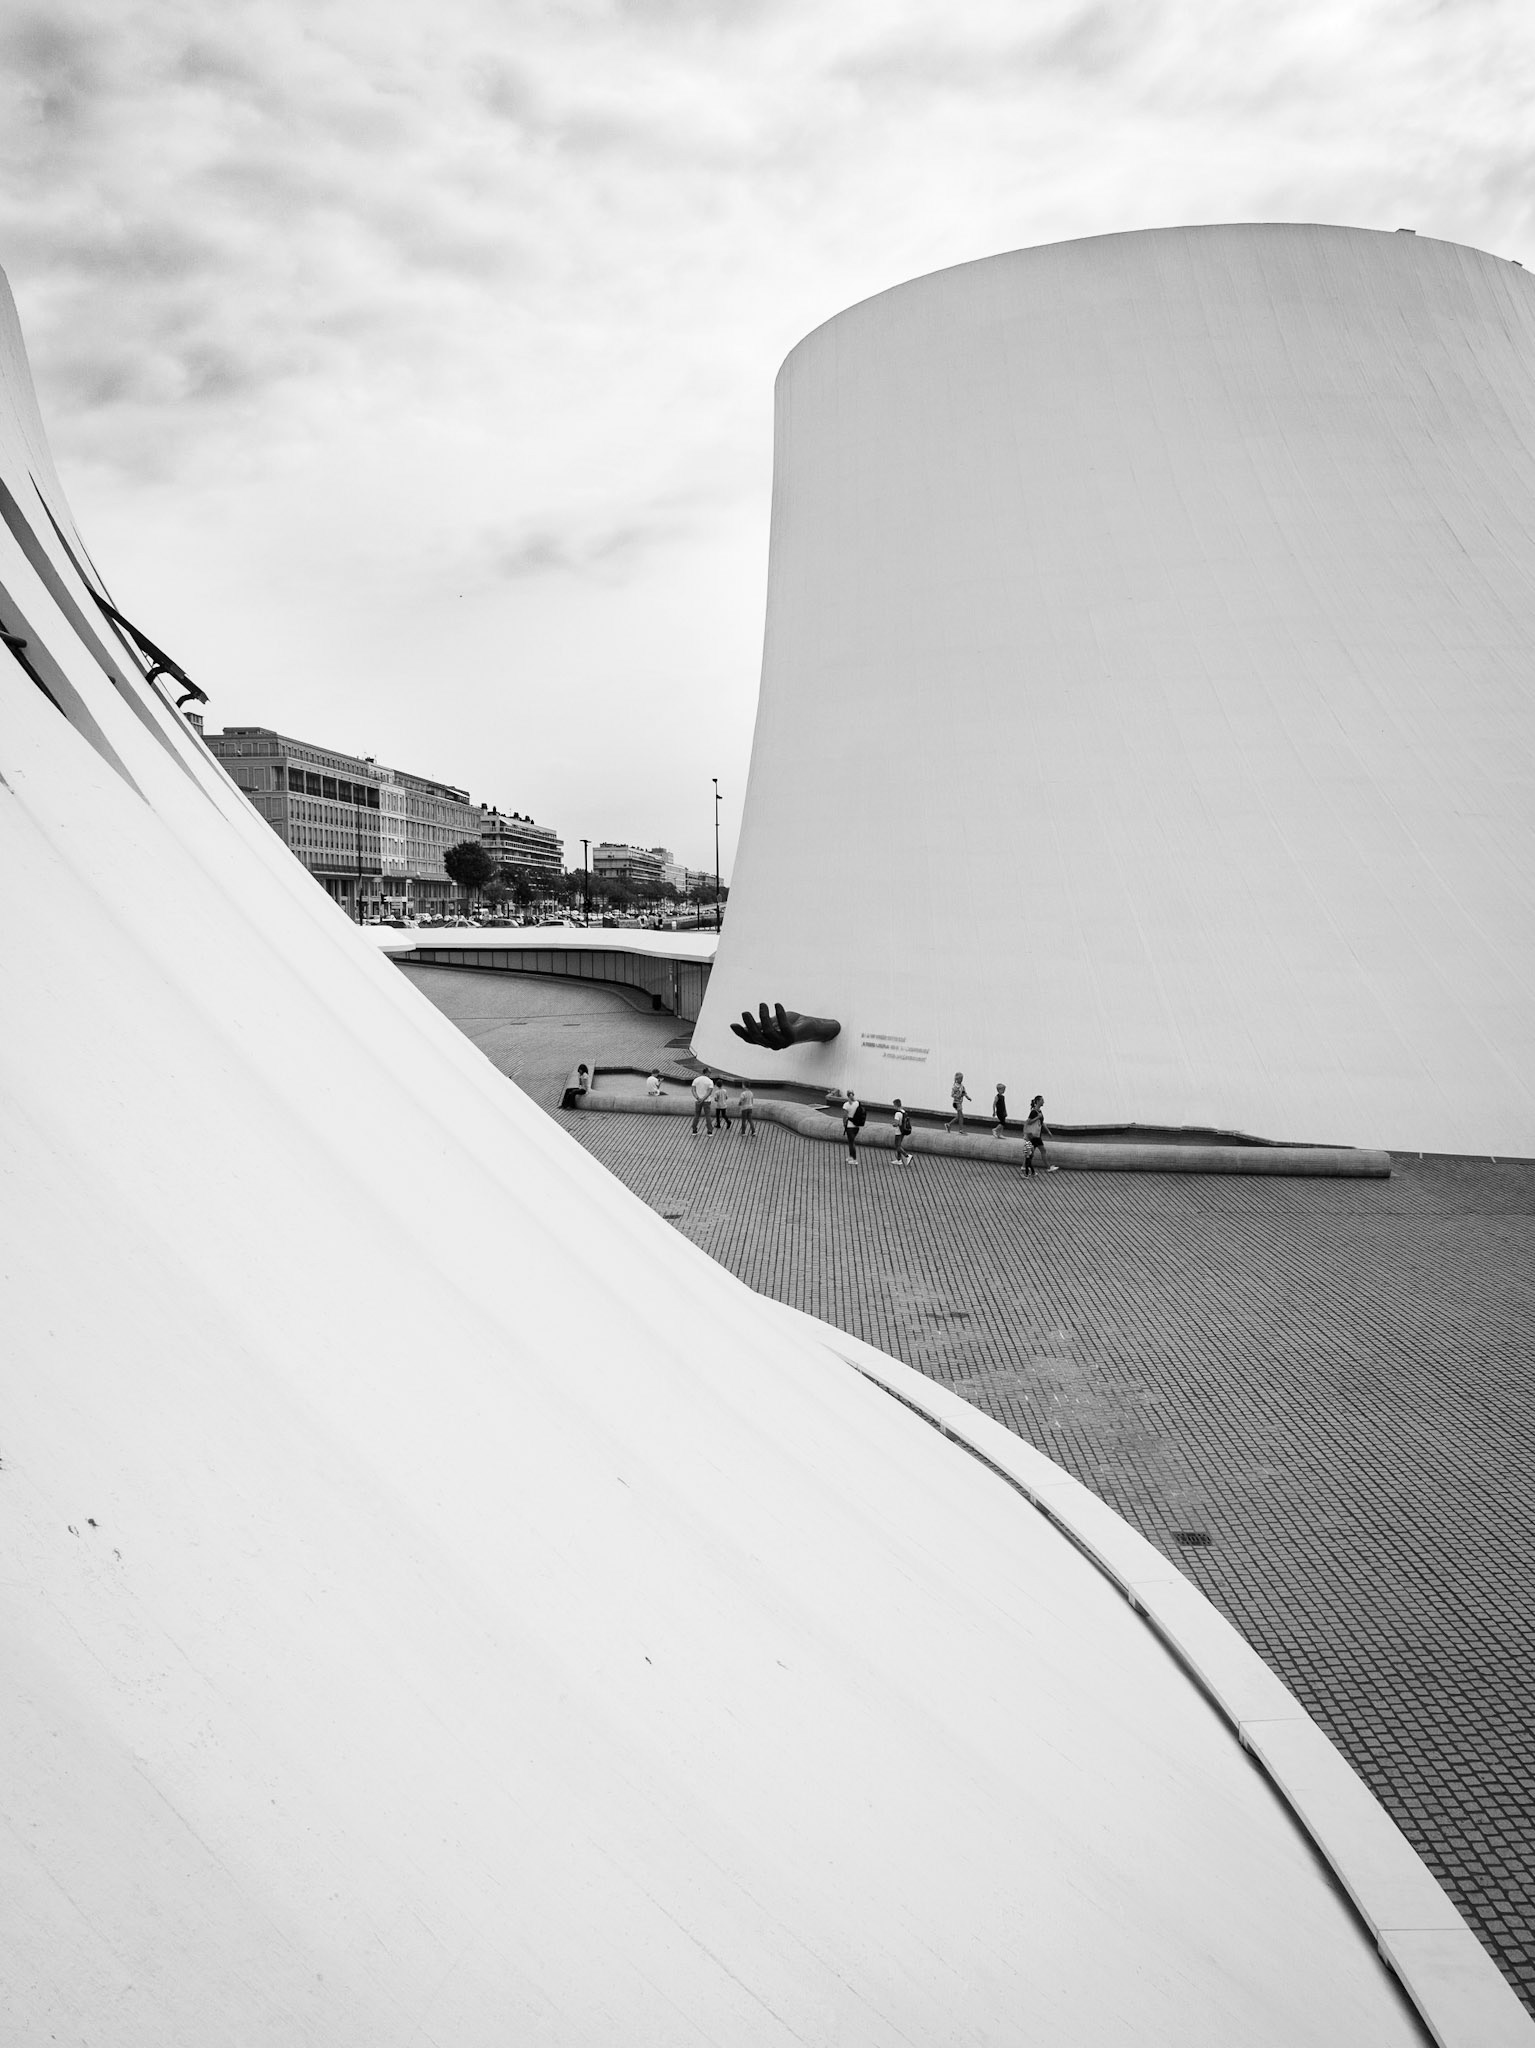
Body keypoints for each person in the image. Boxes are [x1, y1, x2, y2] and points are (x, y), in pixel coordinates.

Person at [1021, 1093, 1058, 1175]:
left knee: (1034, 1152)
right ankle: (1047, 1167)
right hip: (1034, 1136)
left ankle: (1024, 1167)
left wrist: (1048, 1131)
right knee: (1038, 1151)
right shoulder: (1034, 1112)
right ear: (1038, 1101)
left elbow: (1041, 1123)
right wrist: (1038, 1117)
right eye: (1042, 1100)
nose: (1043, 1102)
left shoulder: (1039, 1111)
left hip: (1037, 1135)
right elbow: (1029, 1121)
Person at [841, 1087, 866, 1162]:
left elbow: (845, 1116)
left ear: (847, 1095)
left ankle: (854, 1159)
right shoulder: (857, 1103)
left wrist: (844, 1123)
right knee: (851, 1141)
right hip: (857, 1126)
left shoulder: (846, 1105)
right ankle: (850, 1156)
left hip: (850, 1126)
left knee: (851, 1143)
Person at [892, 1097, 914, 1166]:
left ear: (895, 1105)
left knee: (897, 1146)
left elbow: (896, 1123)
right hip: (903, 1131)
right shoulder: (903, 1112)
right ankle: (899, 1160)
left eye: (893, 1105)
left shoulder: (897, 1114)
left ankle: (907, 1156)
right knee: (899, 1145)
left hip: (898, 1131)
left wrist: (893, 1124)